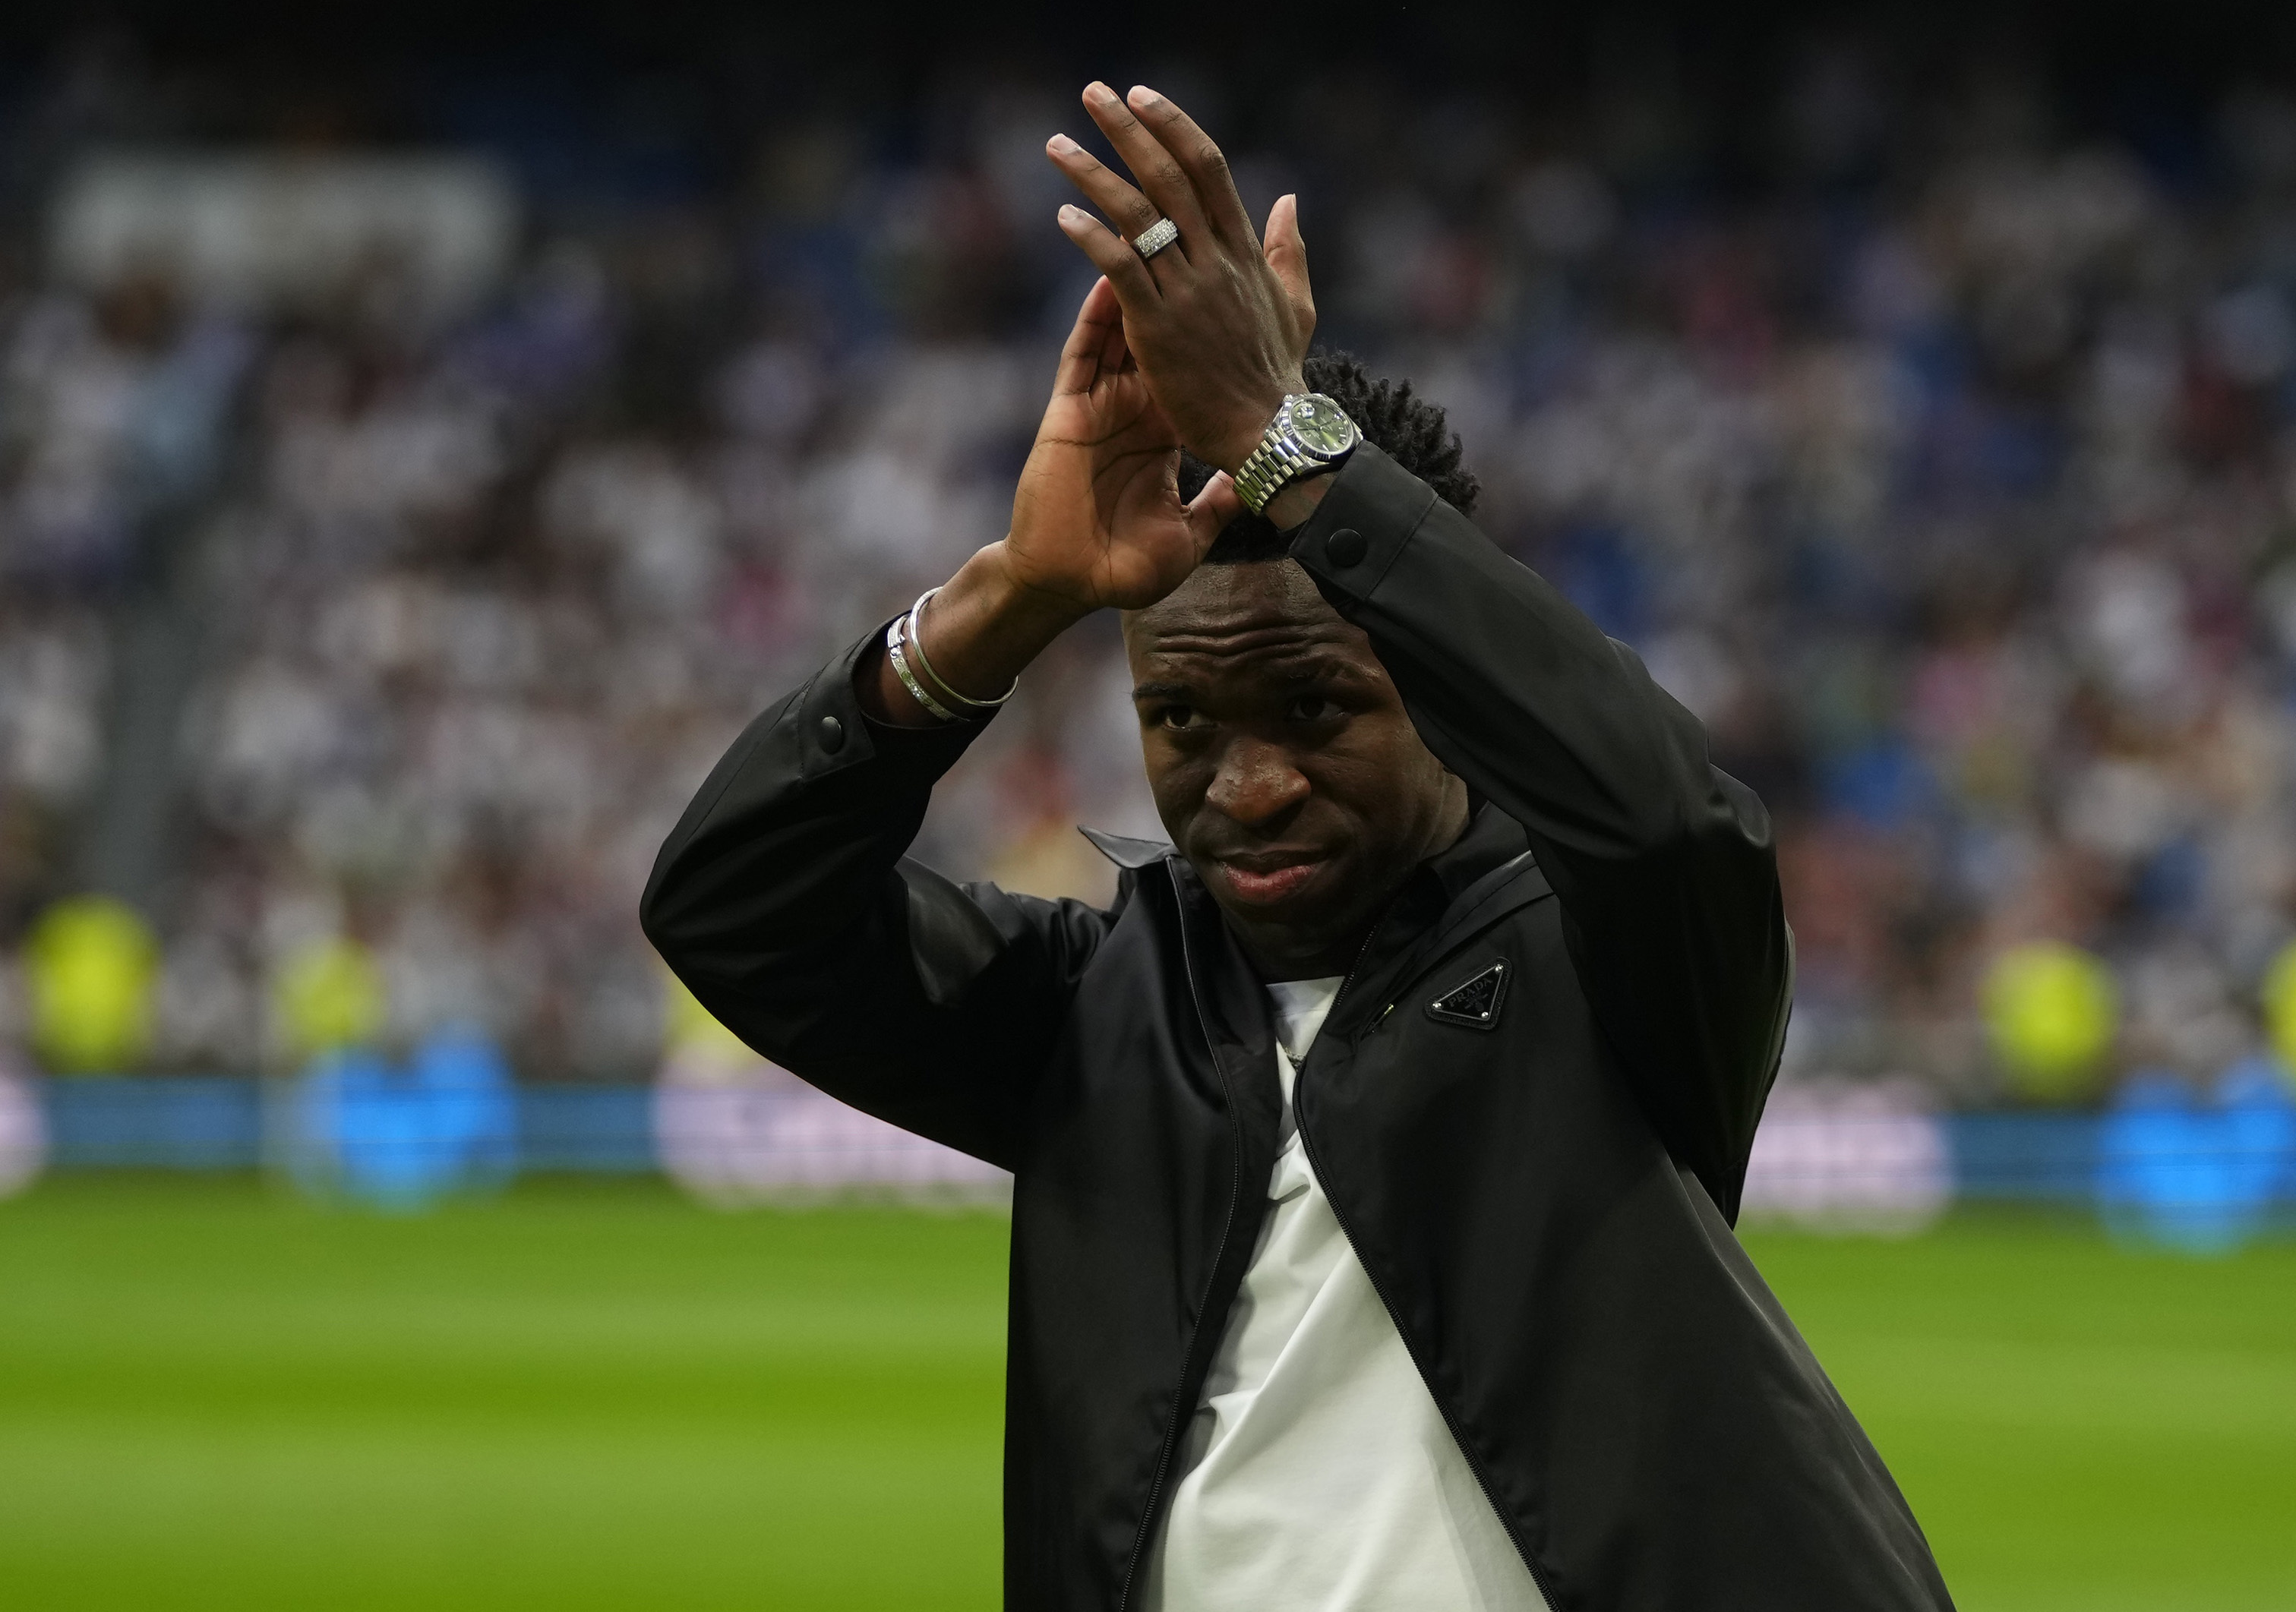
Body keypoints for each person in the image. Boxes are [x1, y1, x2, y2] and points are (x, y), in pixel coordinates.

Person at [643, 82, 1953, 1612]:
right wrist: (1004, 602)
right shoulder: (1095, 1007)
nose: (1246, 784)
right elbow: (733, 908)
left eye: (1317, 705)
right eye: (1180, 718)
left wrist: (1286, 444)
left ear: (1444, 697)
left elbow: (1667, 816)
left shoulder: (1608, 966)